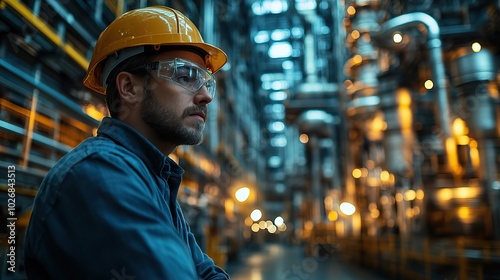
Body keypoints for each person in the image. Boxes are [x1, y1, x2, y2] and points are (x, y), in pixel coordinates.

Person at [24, 6, 229, 280]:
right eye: (184, 76)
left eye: (206, 82)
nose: (206, 96)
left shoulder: (155, 177)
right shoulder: (100, 171)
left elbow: (203, 272)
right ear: (130, 88)